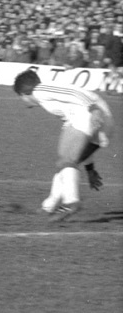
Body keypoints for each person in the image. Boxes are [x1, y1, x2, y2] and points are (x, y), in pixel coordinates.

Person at [12, 68, 114, 221]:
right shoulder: (51, 102)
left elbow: (73, 93)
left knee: (65, 161)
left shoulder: (40, 90)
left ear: (23, 93)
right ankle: (49, 206)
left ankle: (70, 202)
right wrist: (90, 169)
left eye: (20, 97)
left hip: (90, 113)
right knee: (66, 164)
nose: (22, 101)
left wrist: (94, 110)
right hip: (103, 121)